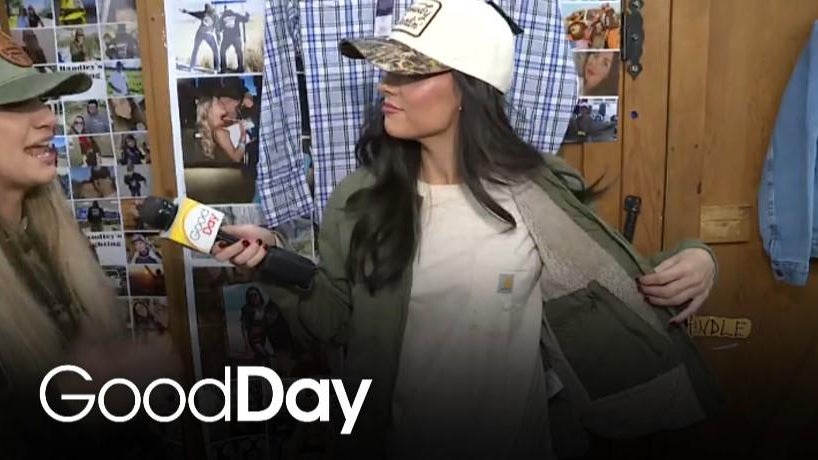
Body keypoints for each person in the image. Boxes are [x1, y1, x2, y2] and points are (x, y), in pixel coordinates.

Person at [213, 1, 722, 458]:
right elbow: (336, 322)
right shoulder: (360, 201)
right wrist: (272, 260)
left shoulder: (537, 193)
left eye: (410, 72)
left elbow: (613, 283)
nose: (387, 84)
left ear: (469, 86)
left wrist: (700, 259)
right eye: (388, 68)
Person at [195, 96, 247, 162]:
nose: (222, 103)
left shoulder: (225, 122)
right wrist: (243, 137)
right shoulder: (219, 132)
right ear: (211, 110)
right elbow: (236, 158)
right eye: (218, 103)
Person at [183, 4, 220, 72]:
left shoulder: (204, 14)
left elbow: (195, 14)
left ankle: (191, 67)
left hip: (200, 33)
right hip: (208, 34)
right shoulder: (215, 16)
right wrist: (218, 39)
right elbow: (217, 28)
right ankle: (216, 68)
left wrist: (187, 12)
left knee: (195, 49)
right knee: (215, 50)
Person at [219, 6, 250, 73]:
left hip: (227, 38)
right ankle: (240, 68)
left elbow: (220, 28)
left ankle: (223, 68)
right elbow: (245, 20)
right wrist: (247, 15)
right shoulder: (236, 15)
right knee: (239, 52)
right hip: (236, 37)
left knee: (222, 51)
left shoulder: (223, 17)